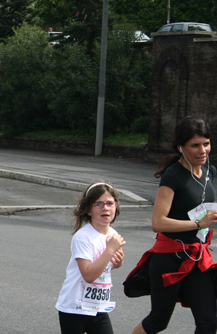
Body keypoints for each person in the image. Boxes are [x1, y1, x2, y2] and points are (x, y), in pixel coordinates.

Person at [127, 116, 217, 334]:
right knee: (158, 321)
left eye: (206, 143)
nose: (202, 150)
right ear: (181, 147)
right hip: (170, 259)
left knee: (208, 322)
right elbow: (158, 222)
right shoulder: (173, 175)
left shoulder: (208, 172)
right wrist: (198, 223)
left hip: (197, 257)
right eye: (195, 145)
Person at [55, 181, 126, 334]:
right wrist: (109, 250)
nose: (105, 208)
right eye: (98, 204)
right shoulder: (83, 237)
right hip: (74, 309)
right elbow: (88, 275)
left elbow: (105, 266)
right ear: (88, 210)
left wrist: (117, 263)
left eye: (109, 203)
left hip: (98, 307)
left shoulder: (112, 234)